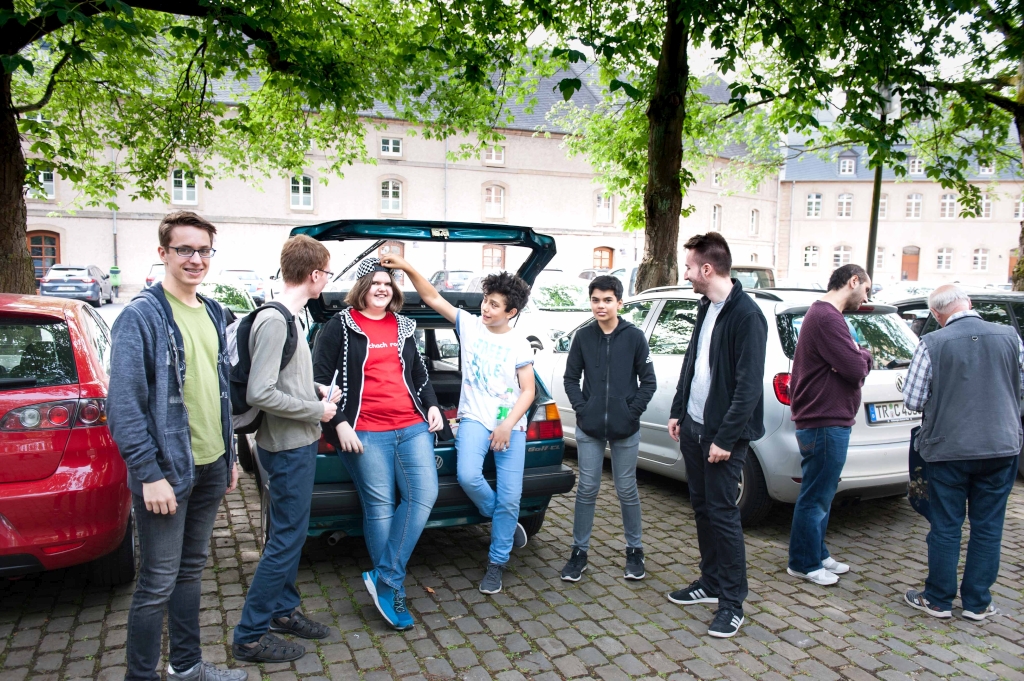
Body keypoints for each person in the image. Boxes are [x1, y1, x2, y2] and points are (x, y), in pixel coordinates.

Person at [107, 211, 246, 681]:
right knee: (157, 583)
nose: (195, 259)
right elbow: (124, 407)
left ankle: (186, 666)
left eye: (203, 250)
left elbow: (219, 392)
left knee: (190, 572)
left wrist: (229, 457)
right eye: (184, 249)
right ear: (163, 253)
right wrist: (148, 474)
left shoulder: (213, 311)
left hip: (210, 465)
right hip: (165, 473)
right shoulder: (140, 316)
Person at [381, 253, 535, 595]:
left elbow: (528, 391)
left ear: (511, 312)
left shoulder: (518, 343)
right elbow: (432, 297)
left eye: (494, 305)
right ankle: (504, 523)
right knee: (468, 476)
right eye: (486, 300)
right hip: (474, 418)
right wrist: (407, 266)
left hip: (510, 424)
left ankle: (497, 560)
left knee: (511, 497)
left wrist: (507, 425)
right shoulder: (470, 325)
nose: (486, 308)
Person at [312, 258, 444, 630]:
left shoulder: (404, 326)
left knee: (424, 494)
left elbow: (419, 373)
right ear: (362, 288)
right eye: (375, 283)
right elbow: (319, 379)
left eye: (387, 283)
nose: (382, 288)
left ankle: (384, 576)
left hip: (412, 426)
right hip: (364, 429)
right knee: (381, 506)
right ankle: (392, 590)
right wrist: (339, 423)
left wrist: (432, 405)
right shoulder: (340, 325)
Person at [232, 236, 340, 662]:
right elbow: (260, 392)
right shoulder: (275, 321)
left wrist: (312, 388)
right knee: (284, 541)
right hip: (287, 447)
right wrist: (316, 409)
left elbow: (282, 378)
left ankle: (283, 610)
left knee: (289, 537)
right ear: (313, 275)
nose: (327, 279)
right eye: (326, 272)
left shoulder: (290, 317)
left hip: (298, 442)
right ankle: (249, 636)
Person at [665, 232, 767, 639]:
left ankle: (732, 602)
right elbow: (692, 363)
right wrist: (678, 410)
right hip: (693, 427)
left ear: (707, 269)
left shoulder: (747, 316)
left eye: (689, 267)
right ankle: (710, 583)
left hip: (723, 437)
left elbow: (748, 388)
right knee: (703, 509)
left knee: (724, 516)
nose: (686, 274)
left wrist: (724, 439)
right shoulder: (706, 306)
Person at [902, 285, 1022, 621]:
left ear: (936, 314)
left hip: (948, 448)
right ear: (968, 303)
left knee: (946, 525)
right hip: (1001, 444)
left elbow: (912, 399)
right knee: (988, 526)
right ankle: (977, 603)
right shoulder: (1010, 336)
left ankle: (938, 599)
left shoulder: (932, 343)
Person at [560, 274, 657, 582]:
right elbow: (570, 379)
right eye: (595, 300)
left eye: (607, 300)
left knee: (626, 489)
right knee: (587, 488)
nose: (600, 306)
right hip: (589, 427)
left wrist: (631, 413)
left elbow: (649, 382)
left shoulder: (634, 337)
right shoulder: (583, 337)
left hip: (625, 428)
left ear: (619, 303)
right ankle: (579, 552)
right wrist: (582, 408)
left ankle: (635, 551)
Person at [786, 264, 872, 586]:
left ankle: (817, 554)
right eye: (866, 289)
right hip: (823, 422)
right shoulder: (826, 317)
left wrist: (857, 354)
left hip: (828, 420)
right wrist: (864, 355)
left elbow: (850, 363)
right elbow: (854, 368)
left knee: (822, 493)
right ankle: (803, 563)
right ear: (853, 281)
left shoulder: (827, 316)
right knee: (816, 495)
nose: (866, 298)